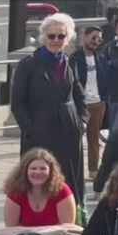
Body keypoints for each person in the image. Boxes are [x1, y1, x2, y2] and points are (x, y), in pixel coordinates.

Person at [11, 13, 88, 217]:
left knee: (68, 181)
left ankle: (71, 219)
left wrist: (82, 122)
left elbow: (79, 95)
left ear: (67, 38)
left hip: (69, 132)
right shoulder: (29, 64)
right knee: (38, 179)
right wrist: (30, 129)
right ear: (44, 36)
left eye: (60, 36)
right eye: (51, 36)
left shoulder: (69, 61)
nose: (55, 40)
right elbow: (18, 103)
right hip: (40, 134)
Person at [0, 148, 81, 235]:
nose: (37, 172)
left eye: (43, 168)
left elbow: (67, 227)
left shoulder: (62, 190)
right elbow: (11, 228)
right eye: (33, 168)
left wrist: (39, 234)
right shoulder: (15, 190)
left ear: (51, 171)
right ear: (24, 171)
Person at [73, 25, 109, 179]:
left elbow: (106, 79)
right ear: (84, 38)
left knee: (94, 139)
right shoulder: (74, 58)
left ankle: (93, 170)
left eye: (98, 39)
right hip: (81, 104)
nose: (95, 41)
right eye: (93, 37)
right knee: (75, 138)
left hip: (98, 103)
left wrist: (104, 99)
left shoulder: (100, 57)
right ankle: (74, 169)